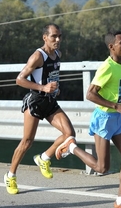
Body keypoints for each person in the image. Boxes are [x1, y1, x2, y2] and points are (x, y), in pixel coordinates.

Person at [55, 30, 121, 208]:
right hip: (104, 119)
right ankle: (71, 147)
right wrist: (116, 106)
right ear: (111, 47)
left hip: (117, 119)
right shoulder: (107, 67)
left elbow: (114, 92)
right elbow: (90, 94)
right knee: (102, 167)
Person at [3, 23, 76, 195]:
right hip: (35, 101)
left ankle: (44, 158)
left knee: (69, 134)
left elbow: (52, 75)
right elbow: (19, 80)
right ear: (45, 38)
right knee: (27, 142)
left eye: (60, 36)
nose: (58, 40)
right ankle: (10, 175)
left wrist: (55, 88)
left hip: (50, 102)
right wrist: (43, 88)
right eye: (54, 36)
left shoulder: (58, 54)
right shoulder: (38, 56)